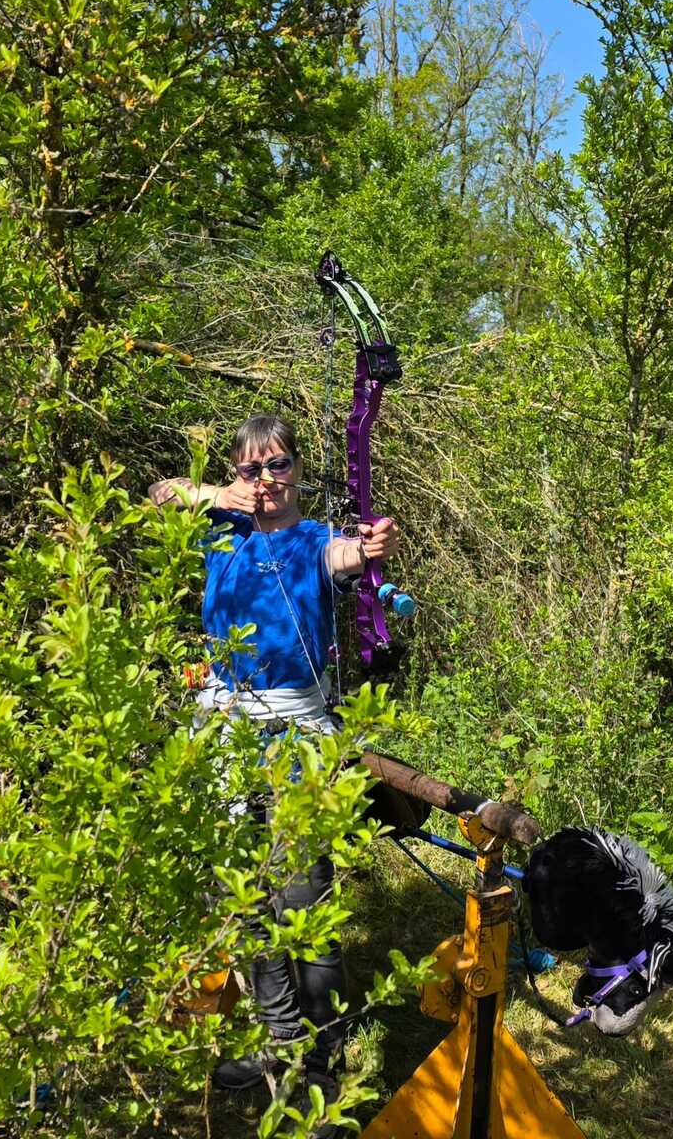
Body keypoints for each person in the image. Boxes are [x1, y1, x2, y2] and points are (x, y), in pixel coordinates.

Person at [148, 414, 401, 1121]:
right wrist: (211, 494)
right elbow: (160, 492)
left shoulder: (316, 539)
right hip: (226, 733)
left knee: (303, 902)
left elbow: (351, 556)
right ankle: (278, 1040)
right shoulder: (220, 530)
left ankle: (322, 1066)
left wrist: (372, 548)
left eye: (278, 465)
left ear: (297, 469)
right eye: (252, 468)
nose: (266, 480)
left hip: (295, 737)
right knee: (245, 901)